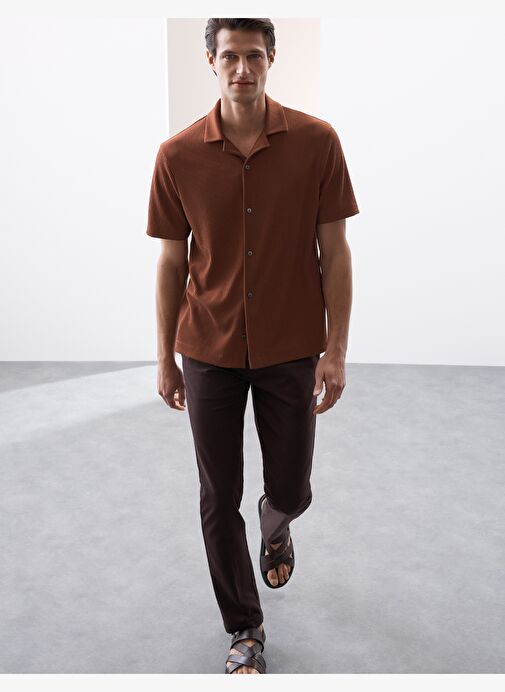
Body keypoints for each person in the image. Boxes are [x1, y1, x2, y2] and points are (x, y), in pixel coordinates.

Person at [145, 17, 360, 674]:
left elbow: (335, 252)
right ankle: (244, 628)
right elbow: (171, 263)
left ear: (272, 59)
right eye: (230, 56)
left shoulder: (317, 142)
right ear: (210, 61)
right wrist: (164, 357)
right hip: (206, 348)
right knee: (217, 495)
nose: (242, 69)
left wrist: (335, 349)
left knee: (291, 484)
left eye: (254, 56)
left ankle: (278, 517)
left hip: (290, 346)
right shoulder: (177, 155)